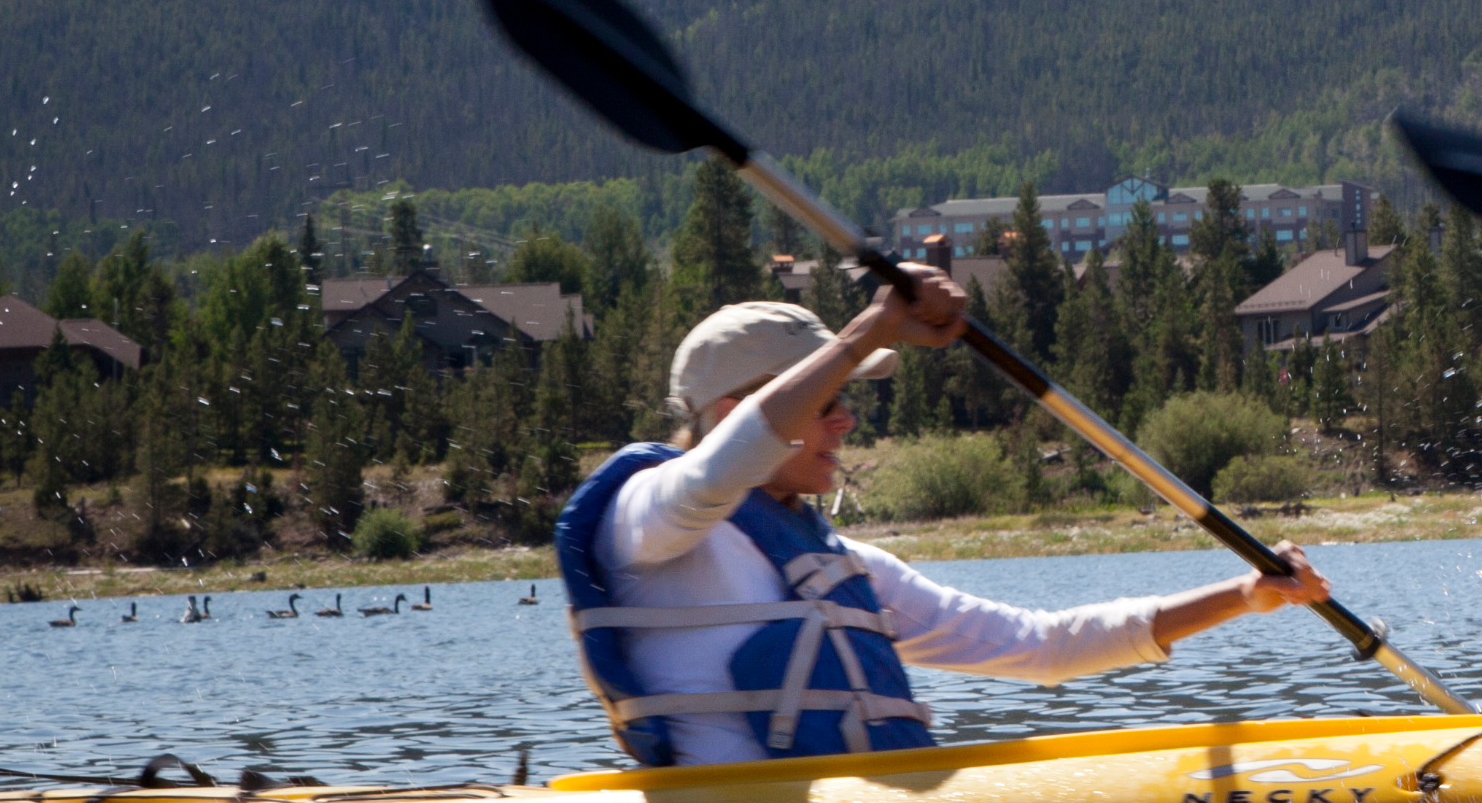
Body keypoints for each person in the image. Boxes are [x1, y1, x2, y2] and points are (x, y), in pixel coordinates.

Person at [557, 269, 1329, 767]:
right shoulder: (648, 518)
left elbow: (1041, 647)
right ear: (729, 412)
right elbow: (720, 467)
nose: (847, 421)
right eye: (829, 400)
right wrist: (875, 324)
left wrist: (1241, 594)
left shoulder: (844, 570)